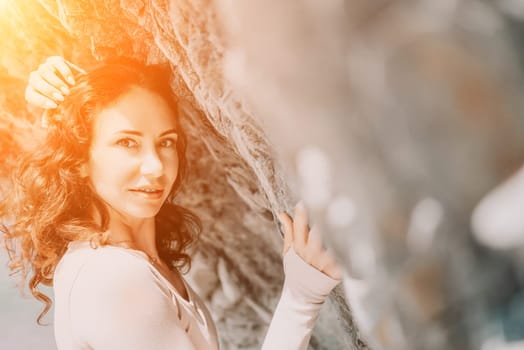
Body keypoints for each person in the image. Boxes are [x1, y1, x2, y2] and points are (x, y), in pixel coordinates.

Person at [1, 56, 342, 349]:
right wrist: (301, 299)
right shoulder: (114, 278)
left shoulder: (132, 261)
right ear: (80, 160)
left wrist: (303, 295)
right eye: (127, 143)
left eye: (166, 142)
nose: (155, 166)